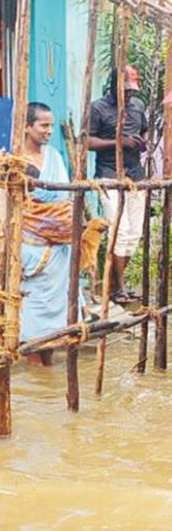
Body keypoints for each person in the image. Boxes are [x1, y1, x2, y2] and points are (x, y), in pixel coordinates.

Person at [19, 102, 74, 365]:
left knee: (54, 331)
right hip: (30, 249)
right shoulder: (15, 162)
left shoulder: (54, 156)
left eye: (51, 125)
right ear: (28, 127)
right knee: (31, 328)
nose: (49, 131)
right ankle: (37, 387)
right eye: (43, 125)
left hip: (58, 253)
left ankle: (46, 384)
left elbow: (64, 199)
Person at [88, 65, 147, 304]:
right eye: (126, 90)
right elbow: (88, 141)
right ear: (113, 86)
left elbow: (144, 131)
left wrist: (140, 143)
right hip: (110, 175)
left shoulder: (138, 107)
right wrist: (118, 142)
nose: (130, 94)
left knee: (134, 233)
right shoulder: (98, 108)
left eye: (132, 90)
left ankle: (115, 283)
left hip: (135, 176)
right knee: (119, 231)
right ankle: (118, 288)